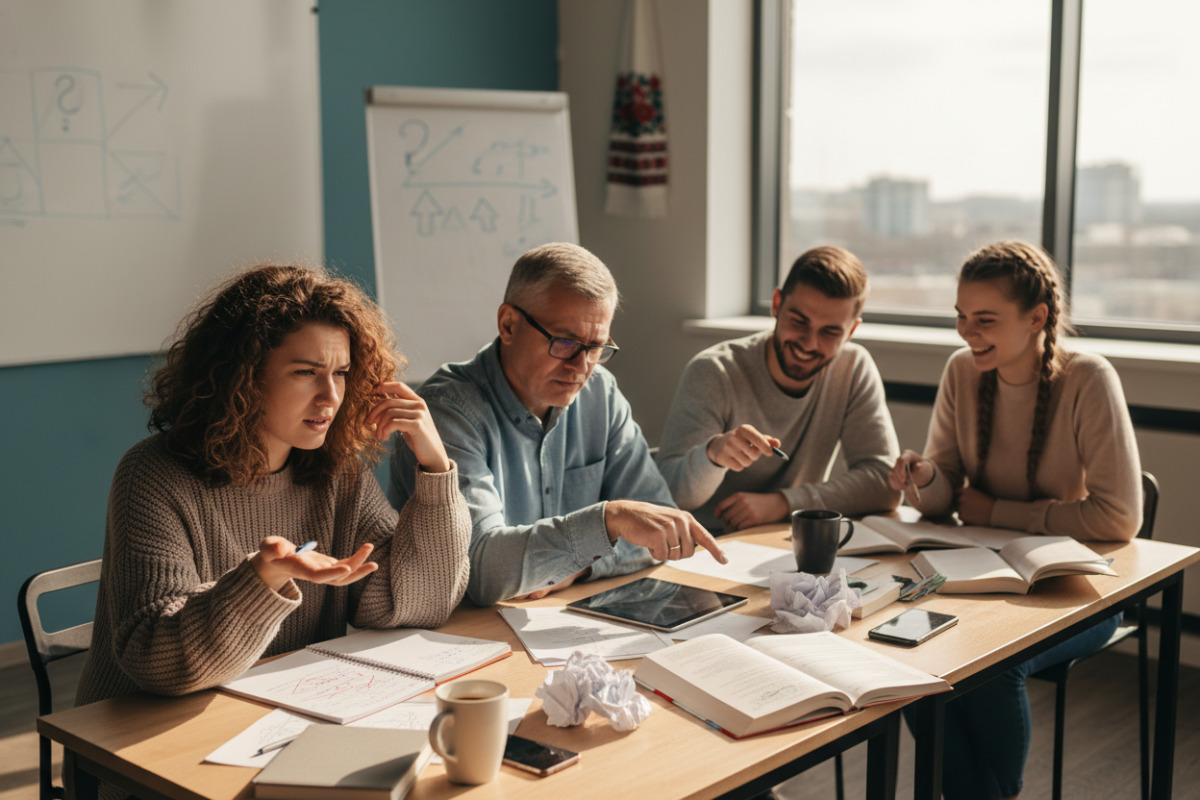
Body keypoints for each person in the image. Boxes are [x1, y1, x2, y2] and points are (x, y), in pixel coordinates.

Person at [76, 264, 471, 713]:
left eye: (341, 373)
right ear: (243, 375)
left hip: (276, 717)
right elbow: (159, 661)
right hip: (135, 745)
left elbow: (416, 605)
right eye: (306, 372)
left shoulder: (337, 473)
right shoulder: (153, 474)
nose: (330, 397)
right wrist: (263, 577)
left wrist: (436, 468)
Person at [890, 241, 1142, 800]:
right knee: (909, 655)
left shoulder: (1088, 379)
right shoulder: (962, 371)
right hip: (980, 580)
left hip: (1074, 589)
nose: (966, 332)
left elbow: (1120, 517)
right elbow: (942, 502)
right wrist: (927, 476)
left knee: (991, 670)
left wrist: (995, 511)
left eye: (984, 320)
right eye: (960, 316)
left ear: (1036, 319)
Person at [389, 242, 727, 607]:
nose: (581, 367)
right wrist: (608, 521)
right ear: (508, 324)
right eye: (565, 342)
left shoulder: (600, 392)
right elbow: (482, 571)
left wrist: (578, 567)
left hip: (562, 619)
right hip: (461, 634)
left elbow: (660, 527)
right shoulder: (448, 412)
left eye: (596, 347)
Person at [656, 246, 900, 533]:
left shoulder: (853, 368)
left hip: (786, 544)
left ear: (851, 331)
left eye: (829, 332)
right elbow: (666, 496)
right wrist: (712, 455)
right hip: (706, 546)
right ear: (776, 304)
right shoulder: (714, 371)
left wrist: (783, 504)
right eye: (799, 322)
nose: (809, 344)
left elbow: (886, 483)